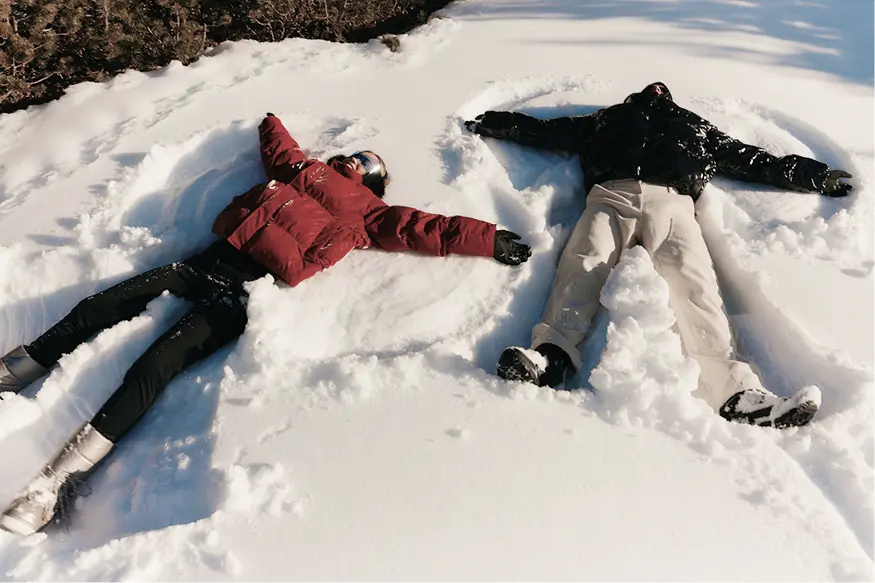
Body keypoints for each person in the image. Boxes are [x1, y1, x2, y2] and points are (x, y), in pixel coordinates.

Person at [0, 113, 532, 536]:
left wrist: (489, 238)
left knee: (154, 366)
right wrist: (269, 115)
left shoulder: (370, 216)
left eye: (367, 159)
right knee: (102, 304)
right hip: (203, 264)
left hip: (240, 296)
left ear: (375, 179)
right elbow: (278, 144)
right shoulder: (303, 170)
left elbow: (427, 228)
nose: (354, 157)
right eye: (355, 151)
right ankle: (17, 369)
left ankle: (51, 486)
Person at [465, 82, 853, 430]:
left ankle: (736, 392)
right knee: (583, 263)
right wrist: (498, 123)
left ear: (668, 100)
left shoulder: (695, 128)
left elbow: (753, 160)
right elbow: (549, 131)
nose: (655, 92)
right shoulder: (608, 119)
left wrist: (814, 176)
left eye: (660, 91)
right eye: (649, 91)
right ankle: (549, 358)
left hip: (673, 205)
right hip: (610, 195)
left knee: (694, 281)